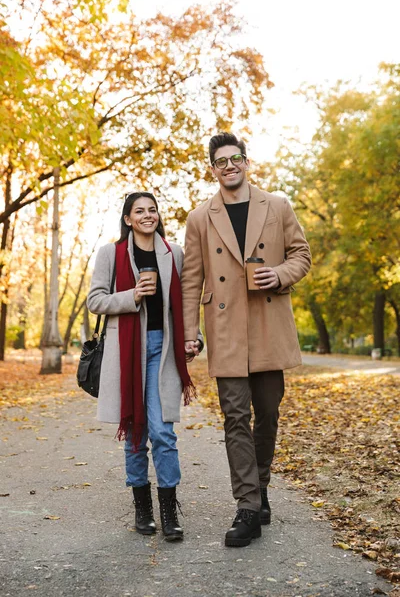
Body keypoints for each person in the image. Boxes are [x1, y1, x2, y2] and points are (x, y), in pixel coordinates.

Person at [181, 132, 311, 547]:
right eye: (221, 162)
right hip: (226, 330)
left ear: (246, 161)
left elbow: (302, 255)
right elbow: (190, 281)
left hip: (269, 326)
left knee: (267, 415)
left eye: (235, 158)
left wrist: (280, 273)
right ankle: (248, 507)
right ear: (213, 169)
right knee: (235, 417)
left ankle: (261, 484)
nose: (229, 166)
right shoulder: (200, 217)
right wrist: (190, 333)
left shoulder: (277, 205)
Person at [87, 191, 199, 541]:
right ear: (127, 219)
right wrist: (132, 296)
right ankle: (142, 510)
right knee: (136, 434)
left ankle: (169, 512)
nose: (148, 215)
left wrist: (192, 338)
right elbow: (95, 300)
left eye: (152, 210)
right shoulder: (111, 253)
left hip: (163, 350)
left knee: (163, 431)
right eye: (140, 211)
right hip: (127, 350)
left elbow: (184, 302)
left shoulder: (172, 252)